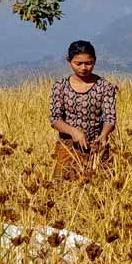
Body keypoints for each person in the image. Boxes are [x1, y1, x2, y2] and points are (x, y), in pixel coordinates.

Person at [49, 40, 118, 178]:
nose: (84, 68)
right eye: (78, 63)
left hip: (97, 146)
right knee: (62, 188)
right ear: (70, 62)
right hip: (68, 148)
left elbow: (110, 118)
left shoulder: (104, 86)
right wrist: (74, 132)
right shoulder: (60, 87)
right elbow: (55, 119)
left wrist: (104, 134)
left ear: (95, 61)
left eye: (88, 63)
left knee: (99, 187)